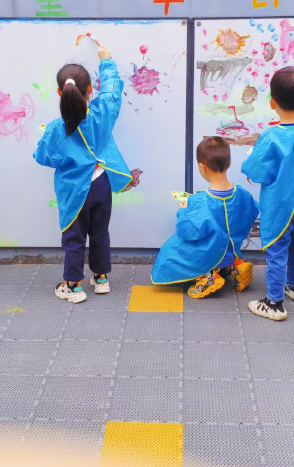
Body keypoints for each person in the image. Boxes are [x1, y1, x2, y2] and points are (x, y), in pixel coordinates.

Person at [34, 46, 132, 304]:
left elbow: (43, 157)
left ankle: (73, 286)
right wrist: (106, 60)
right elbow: (111, 90)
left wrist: (47, 137)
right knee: (100, 232)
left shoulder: (56, 129)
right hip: (101, 184)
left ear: (60, 92)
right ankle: (100, 279)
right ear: (90, 90)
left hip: (73, 191)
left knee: (74, 237)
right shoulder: (101, 113)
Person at [241, 67, 294, 320]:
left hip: (281, 207)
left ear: (272, 102)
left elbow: (256, 172)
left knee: (277, 252)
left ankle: (274, 302)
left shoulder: (271, 136)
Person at [152, 136, 258, 298]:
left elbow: (185, 231)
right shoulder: (243, 194)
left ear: (202, 167)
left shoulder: (198, 202)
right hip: (232, 250)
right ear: (229, 163)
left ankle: (208, 276)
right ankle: (235, 266)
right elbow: (252, 213)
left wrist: (183, 210)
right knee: (223, 246)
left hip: (210, 254)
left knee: (169, 251)